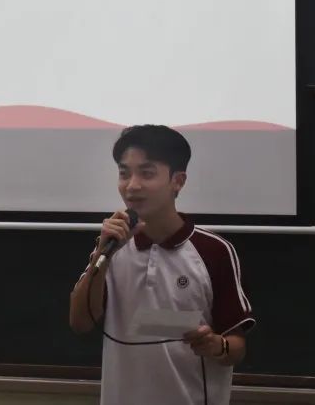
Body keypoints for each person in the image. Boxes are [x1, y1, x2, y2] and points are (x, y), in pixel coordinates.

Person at [69, 125, 255, 405]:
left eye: (147, 173)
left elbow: (236, 348)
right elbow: (80, 322)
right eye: (124, 173)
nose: (132, 186)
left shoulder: (213, 251)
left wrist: (217, 345)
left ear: (177, 181)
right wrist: (101, 256)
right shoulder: (112, 246)